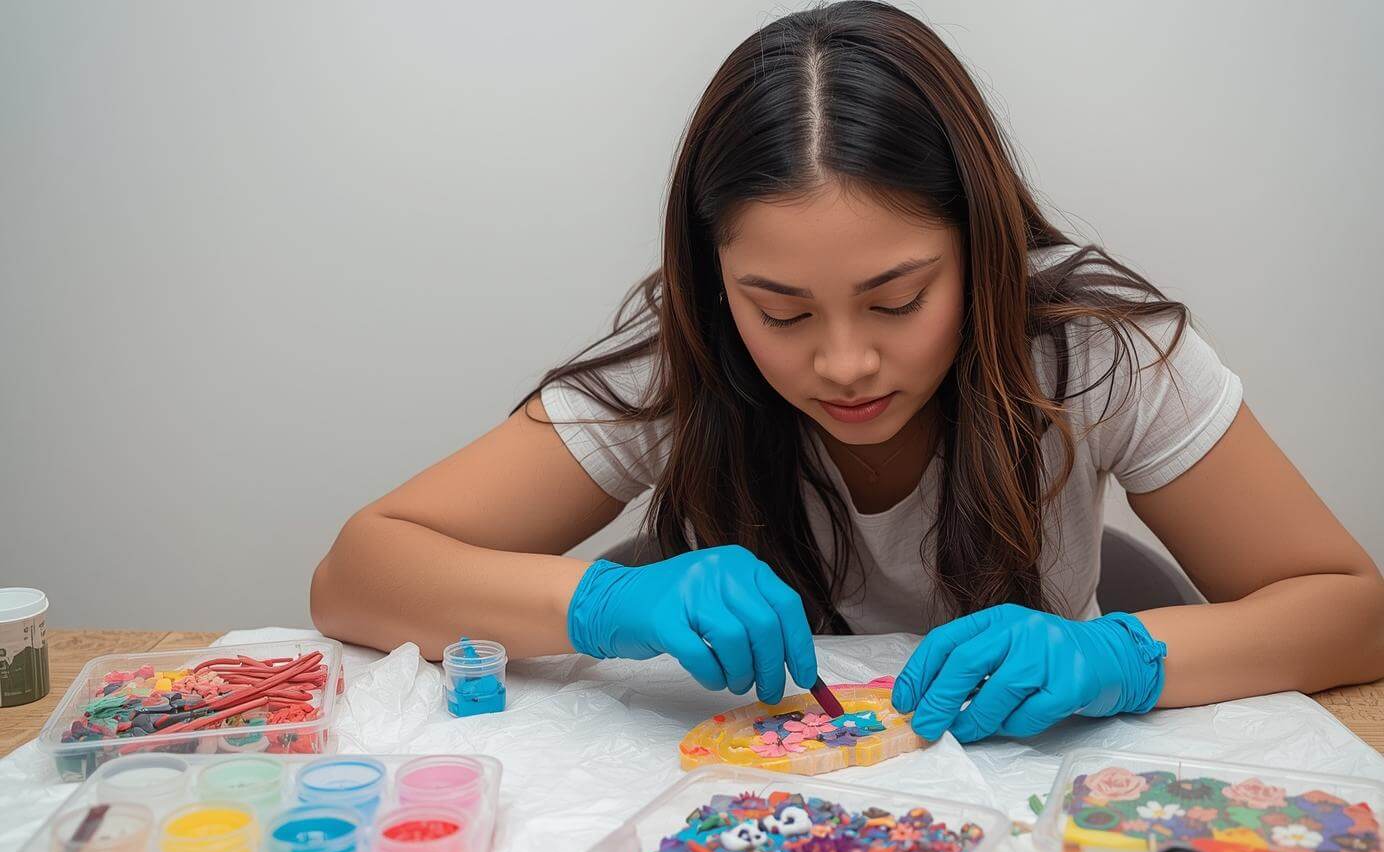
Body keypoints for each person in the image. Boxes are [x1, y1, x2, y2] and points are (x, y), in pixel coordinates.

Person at [310, 1, 1384, 744]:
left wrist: (1114, 657)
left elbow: (1350, 609)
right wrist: (604, 601)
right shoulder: (689, 358)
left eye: (897, 297)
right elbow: (357, 573)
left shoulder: (1092, 351)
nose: (844, 361)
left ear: (983, 249)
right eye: (779, 309)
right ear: (715, 283)